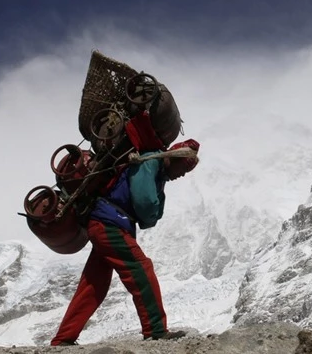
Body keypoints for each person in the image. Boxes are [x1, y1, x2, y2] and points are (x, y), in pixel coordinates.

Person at [50, 139, 200, 346]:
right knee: (141, 270)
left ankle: (64, 339)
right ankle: (156, 330)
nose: (182, 174)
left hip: (104, 222)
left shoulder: (155, 169)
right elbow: (145, 202)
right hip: (110, 224)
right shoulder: (150, 163)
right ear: (174, 159)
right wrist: (151, 216)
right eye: (184, 168)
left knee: (94, 284)